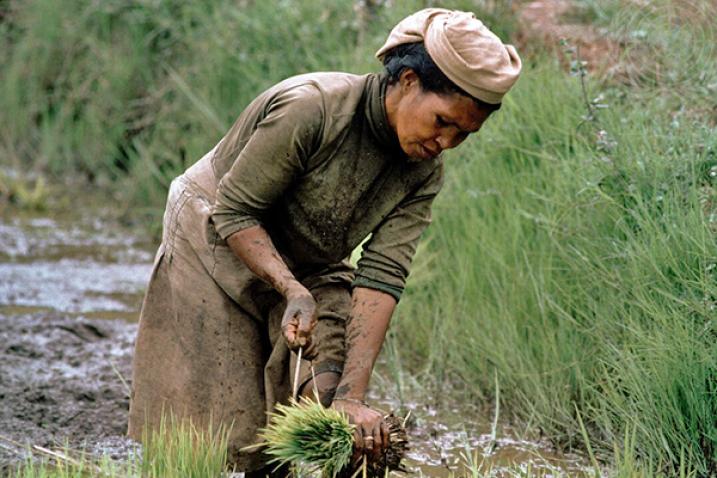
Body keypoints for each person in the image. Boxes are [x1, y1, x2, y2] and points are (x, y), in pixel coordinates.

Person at [128, 8, 521, 476]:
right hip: (212, 234)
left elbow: (382, 275)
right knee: (214, 430)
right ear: (410, 81)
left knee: (326, 403)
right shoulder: (312, 107)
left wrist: (353, 399)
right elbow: (233, 210)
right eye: (442, 121)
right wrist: (291, 290)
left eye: (463, 134)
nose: (446, 142)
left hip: (312, 258)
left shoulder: (423, 172)